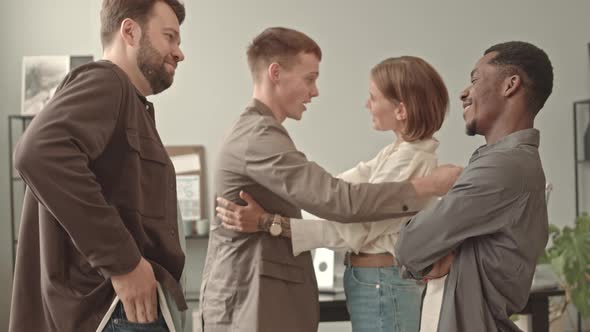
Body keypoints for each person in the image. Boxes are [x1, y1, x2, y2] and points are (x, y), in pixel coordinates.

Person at [197, 26, 461, 332]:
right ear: (276, 73)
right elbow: (337, 198)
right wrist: (428, 186)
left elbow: (341, 202)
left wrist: (270, 222)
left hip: (369, 285)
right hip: (251, 296)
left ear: (401, 110)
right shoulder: (259, 136)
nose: (316, 91)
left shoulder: (406, 156)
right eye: (310, 79)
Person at [9, 1, 187, 331]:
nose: (179, 52)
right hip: (115, 311)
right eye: (170, 37)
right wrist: (126, 264)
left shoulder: (128, 101)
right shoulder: (108, 81)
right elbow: (38, 151)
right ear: (130, 31)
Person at [394, 41, 553, 331]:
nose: (464, 93)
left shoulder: (503, 167)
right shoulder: (505, 164)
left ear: (510, 85)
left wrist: (438, 248)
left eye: (475, 79)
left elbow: (409, 245)